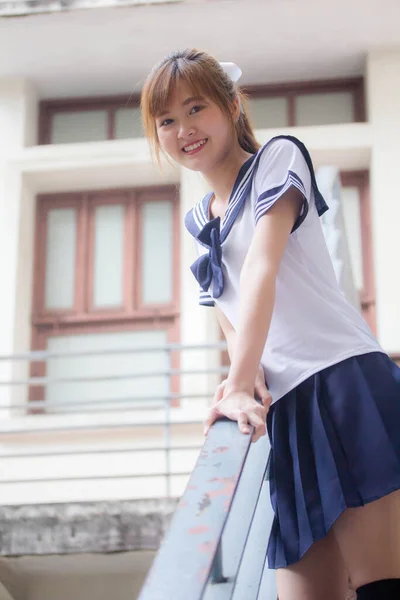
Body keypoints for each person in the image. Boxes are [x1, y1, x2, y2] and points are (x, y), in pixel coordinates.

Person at [141, 48, 400, 600]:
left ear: (232, 106)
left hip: (343, 382)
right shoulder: (200, 221)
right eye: (167, 120)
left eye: (196, 109)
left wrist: (236, 383)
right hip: (288, 414)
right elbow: (228, 310)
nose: (183, 129)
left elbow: (263, 264)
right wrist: (244, 380)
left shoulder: (277, 159)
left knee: (381, 583)